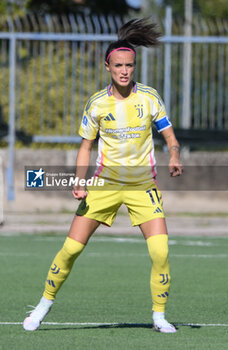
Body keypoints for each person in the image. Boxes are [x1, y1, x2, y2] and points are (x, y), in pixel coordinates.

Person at [23, 18, 183, 333]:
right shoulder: (97, 104)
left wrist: (175, 153)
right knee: (71, 249)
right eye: (119, 65)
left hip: (141, 186)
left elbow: (169, 134)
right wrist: (79, 180)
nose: (125, 70)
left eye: (130, 66)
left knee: (161, 251)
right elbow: (86, 147)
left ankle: (159, 316)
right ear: (107, 66)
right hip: (104, 186)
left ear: (135, 67)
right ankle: (43, 304)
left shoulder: (149, 97)